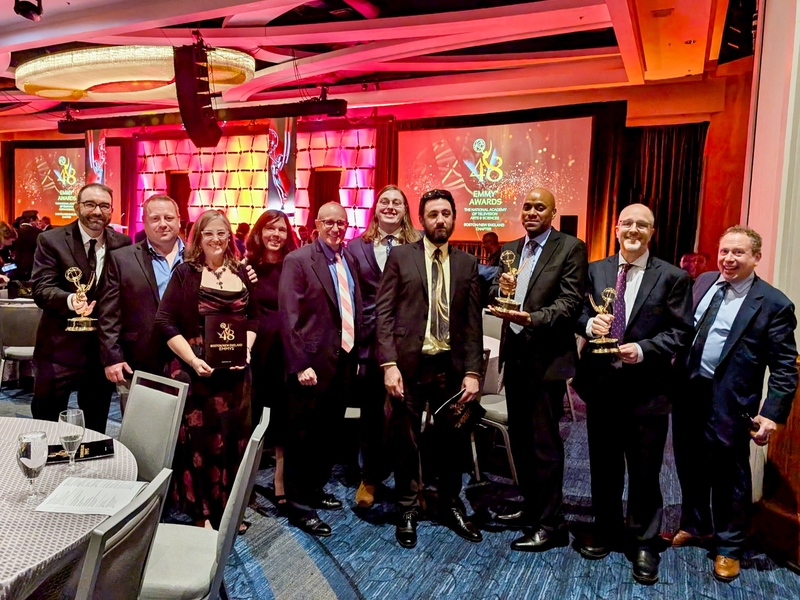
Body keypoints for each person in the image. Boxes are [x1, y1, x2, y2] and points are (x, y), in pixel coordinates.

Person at [571, 203, 693, 585]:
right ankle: (605, 528)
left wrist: (642, 350)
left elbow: (680, 331)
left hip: (648, 392)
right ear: (617, 228)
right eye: (628, 223)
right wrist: (591, 323)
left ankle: (642, 540)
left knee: (644, 471)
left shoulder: (673, 277)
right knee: (604, 466)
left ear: (652, 232)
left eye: (643, 225)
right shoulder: (595, 270)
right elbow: (574, 311)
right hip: (602, 387)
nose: (634, 230)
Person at [672, 225, 797, 582]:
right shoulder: (704, 281)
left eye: (738, 253)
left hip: (729, 399)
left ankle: (729, 546)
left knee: (730, 475)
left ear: (756, 258)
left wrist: (772, 414)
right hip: (688, 391)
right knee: (688, 463)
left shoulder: (773, 303)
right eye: (725, 250)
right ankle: (695, 525)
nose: (729, 259)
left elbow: (786, 367)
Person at [376, 188, 484, 549]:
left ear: (454, 218)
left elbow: (472, 325)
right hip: (408, 366)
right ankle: (407, 507)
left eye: (446, 214)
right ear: (421, 220)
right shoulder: (400, 256)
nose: (440, 219)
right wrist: (389, 364)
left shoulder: (468, 265)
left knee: (452, 442)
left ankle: (450, 504)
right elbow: (384, 314)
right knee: (404, 440)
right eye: (433, 214)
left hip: (450, 368)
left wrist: (473, 371)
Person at [487, 187, 587, 553]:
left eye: (539, 207)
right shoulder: (512, 249)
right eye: (527, 206)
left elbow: (570, 302)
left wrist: (531, 319)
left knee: (545, 445)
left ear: (553, 212)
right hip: (514, 359)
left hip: (545, 361)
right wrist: (497, 294)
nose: (531, 211)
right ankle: (531, 507)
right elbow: (500, 290)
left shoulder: (570, 248)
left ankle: (551, 524)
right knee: (522, 440)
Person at [155, 209, 257, 529]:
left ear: (230, 238)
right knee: (202, 444)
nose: (215, 239)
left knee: (232, 442)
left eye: (221, 233)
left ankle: (227, 510)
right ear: (198, 237)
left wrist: (248, 349)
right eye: (208, 233)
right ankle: (203, 513)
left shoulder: (240, 273)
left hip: (236, 373)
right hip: (197, 370)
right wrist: (192, 360)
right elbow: (164, 322)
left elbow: (252, 319)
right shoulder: (185, 273)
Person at [278, 202, 362, 537]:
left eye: (341, 223)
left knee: (328, 434)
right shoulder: (298, 260)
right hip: (310, 367)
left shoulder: (349, 259)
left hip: (342, 362)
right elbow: (288, 316)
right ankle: (299, 507)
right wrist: (300, 365)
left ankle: (313, 490)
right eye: (329, 222)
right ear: (316, 224)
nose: (336, 228)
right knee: (302, 438)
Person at [30, 183, 132, 433]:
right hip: (57, 352)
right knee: (46, 424)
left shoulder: (123, 243)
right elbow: (41, 288)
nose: (97, 211)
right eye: (90, 204)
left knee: (95, 428)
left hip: (99, 354)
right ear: (77, 207)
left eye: (104, 206)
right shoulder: (51, 240)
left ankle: (89, 473)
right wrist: (70, 301)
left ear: (112, 210)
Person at [347, 185, 421, 508]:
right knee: (371, 415)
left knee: (408, 416)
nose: (390, 206)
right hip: (367, 344)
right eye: (384, 202)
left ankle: (411, 482)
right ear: (375, 209)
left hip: (407, 344)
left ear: (405, 210)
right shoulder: (356, 248)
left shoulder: (419, 246)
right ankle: (370, 478)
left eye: (397, 203)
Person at [96, 195, 185, 408]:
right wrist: (112, 356)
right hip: (139, 358)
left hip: (189, 358)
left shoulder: (197, 256)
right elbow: (109, 312)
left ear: (179, 220)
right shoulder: (121, 258)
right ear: (144, 222)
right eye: (155, 219)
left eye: (168, 217)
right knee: (142, 431)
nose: (163, 224)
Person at [245, 209, 298, 510]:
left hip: (287, 353)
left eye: (281, 229)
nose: (275, 235)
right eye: (269, 229)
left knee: (283, 419)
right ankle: (247, 484)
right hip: (256, 354)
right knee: (252, 419)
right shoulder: (248, 266)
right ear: (260, 232)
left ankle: (280, 480)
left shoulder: (296, 264)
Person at [12, 209, 42, 282]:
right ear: (31, 219)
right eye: (38, 219)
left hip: (18, 266)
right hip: (34, 267)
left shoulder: (16, 232)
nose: (39, 221)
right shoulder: (39, 233)